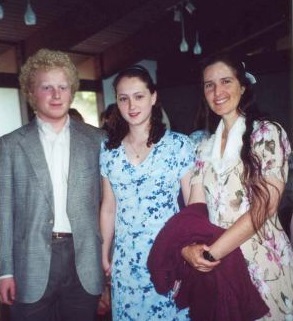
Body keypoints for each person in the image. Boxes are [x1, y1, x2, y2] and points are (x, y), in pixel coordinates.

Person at [182, 53, 293, 320]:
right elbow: (195, 207)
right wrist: (189, 247)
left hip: (263, 262)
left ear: (243, 87)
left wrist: (211, 254)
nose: (217, 91)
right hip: (221, 264)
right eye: (209, 85)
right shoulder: (204, 147)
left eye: (225, 81)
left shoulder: (267, 133)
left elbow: (265, 206)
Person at [0, 48, 104, 321]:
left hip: (85, 262)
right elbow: (3, 214)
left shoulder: (98, 141)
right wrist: (5, 271)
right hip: (30, 262)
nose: (56, 95)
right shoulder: (10, 145)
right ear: (31, 92)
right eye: (47, 87)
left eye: (63, 87)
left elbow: (110, 206)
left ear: (72, 91)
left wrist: (109, 263)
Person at [100, 65, 195, 320]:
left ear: (153, 97)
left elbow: (193, 206)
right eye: (123, 98)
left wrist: (191, 251)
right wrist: (104, 251)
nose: (131, 105)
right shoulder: (108, 150)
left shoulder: (179, 145)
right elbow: (109, 207)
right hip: (126, 261)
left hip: (169, 255)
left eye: (139, 96)